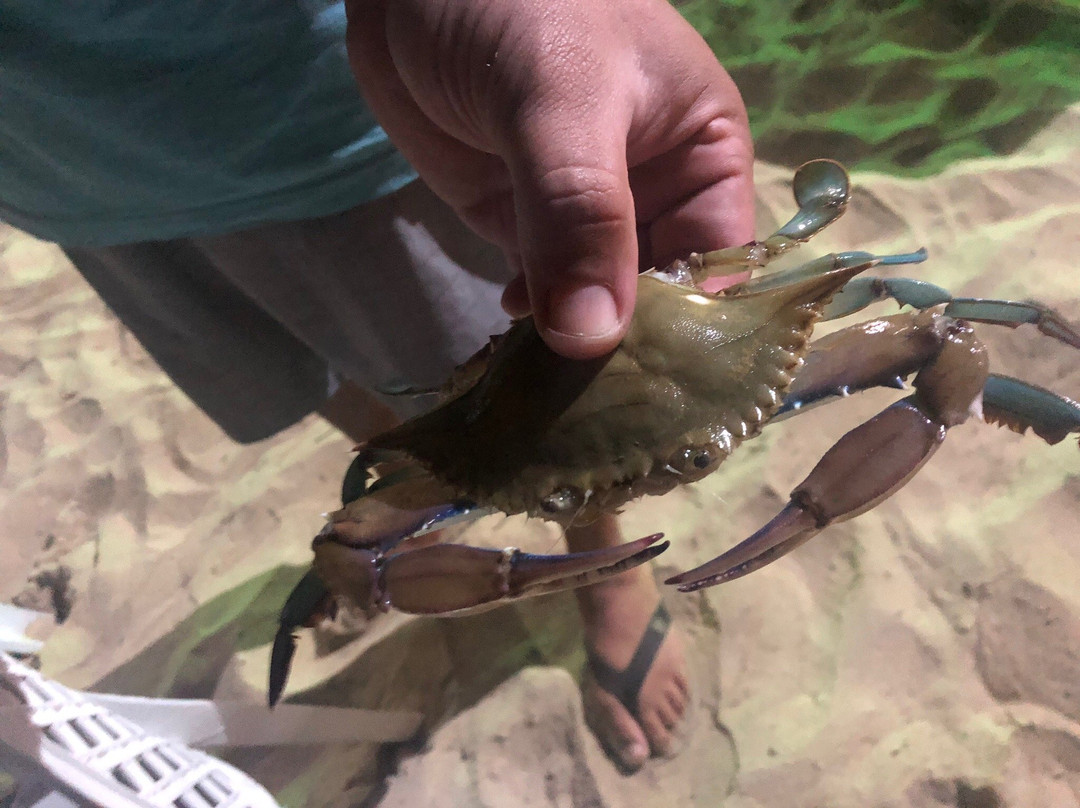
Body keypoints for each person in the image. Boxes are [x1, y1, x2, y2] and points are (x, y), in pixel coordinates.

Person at [1, 0, 753, 772]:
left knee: (550, 406)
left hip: (320, 115)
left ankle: (606, 565)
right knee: (348, 398)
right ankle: (452, 499)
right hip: (64, 173)